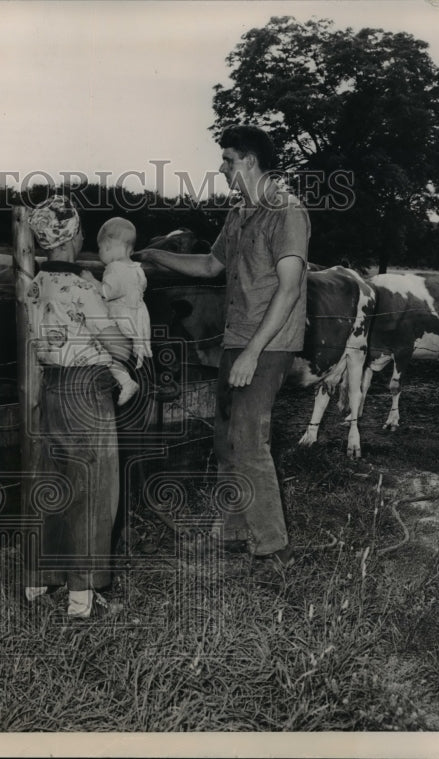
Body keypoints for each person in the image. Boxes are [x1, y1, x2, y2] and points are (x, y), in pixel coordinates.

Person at [135, 125, 309, 570]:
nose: (222, 168)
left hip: (267, 344)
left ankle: (274, 549)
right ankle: (234, 532)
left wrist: (252, 353)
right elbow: (212, 265)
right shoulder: (240, 214)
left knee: (249, 439)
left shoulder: (286, 212)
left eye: (228, 160)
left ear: (249, 160)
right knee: (225, 439)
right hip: (237, 337)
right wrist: (155, 257)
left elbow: (289, 290)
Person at [22, 195, 132, 619]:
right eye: (82, 227)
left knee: (53, 483)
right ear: (70, 236)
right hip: (87, 391)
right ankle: (81, 599)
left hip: (51, 387)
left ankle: (37, 581)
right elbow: (119, 348)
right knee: (94, 489)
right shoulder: (83, 287)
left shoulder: (35, 283)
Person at [92, 217, 152, 406]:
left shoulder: (114, 268)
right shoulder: (136, 269)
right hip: (137, 321)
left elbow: (106, 292)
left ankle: (125, 382)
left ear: (108, 245)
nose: (99, 254)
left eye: (100, 248)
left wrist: (90, 281)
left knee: (101, 348)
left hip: (121, 321)